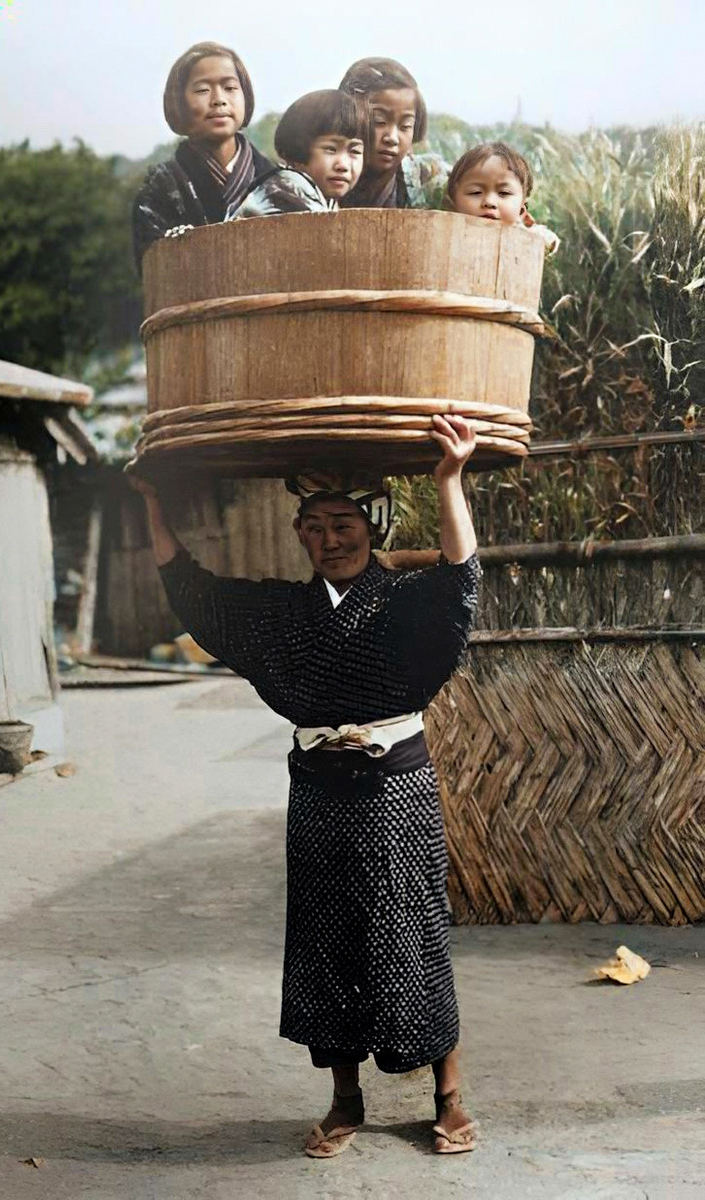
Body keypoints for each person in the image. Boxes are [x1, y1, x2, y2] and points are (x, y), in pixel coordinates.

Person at [129, 414, 480, 1158]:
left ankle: (448, 1094)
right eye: (314, 525)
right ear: (300, 534)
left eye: (344, 522)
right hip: (318, 796)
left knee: (414, 936)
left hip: (397, 793)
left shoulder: (410, 602)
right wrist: (154, 506)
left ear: (373, 525)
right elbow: (195, 594)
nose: (330, 537)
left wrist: (450, 478)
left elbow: (460, 580)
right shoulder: (282, 616)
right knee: (328, 945)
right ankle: (344, 1098)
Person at [131, 41, 273, 267]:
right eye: (202, 90)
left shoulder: (278, 181)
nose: (218, 99)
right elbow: (157, 274)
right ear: (179, 103)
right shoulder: (159, 192)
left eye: (230, 88)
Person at [228, 90, 366, 219]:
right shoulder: (287, 187)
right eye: (330, 149)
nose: (343, 165)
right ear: (298, 148)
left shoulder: (326, 200)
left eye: (355, 151)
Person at [338, 57, 447, 209]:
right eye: (379, 121)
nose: (392, 138)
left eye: (405, 126)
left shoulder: (429, 179)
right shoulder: (320, 177)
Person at [446, 141, 560, 253]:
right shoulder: (441, 238)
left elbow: (546, 240)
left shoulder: (523, 242)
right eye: (476, 192)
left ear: (521, 212)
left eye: (504, 193)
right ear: (452, 206)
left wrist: (538, 239)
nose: (489, 202)